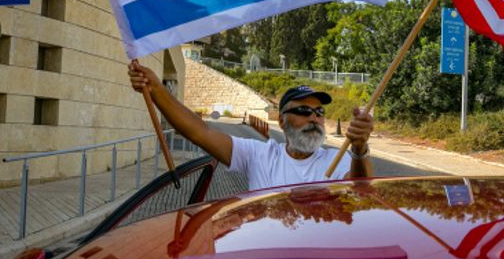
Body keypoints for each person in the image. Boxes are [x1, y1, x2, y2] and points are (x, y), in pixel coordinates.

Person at [128, 60, 374, 190]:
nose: (314, 118)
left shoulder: (339, 159)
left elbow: (363, 193)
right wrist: (157, 90)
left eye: (319, 112)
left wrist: (360, 149)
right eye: (302, 110)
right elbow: (199, 132)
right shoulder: (259, 155)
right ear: (281, 120)